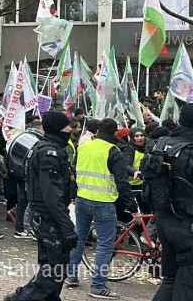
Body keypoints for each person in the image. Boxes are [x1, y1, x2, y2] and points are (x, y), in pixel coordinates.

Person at [4, 111, 76, 301]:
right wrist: (66, 225)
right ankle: (20, 298)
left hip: (48, 216)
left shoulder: (51, 149)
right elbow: (52, 195)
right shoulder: (49, 153)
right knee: (55, 268)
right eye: (67, 126)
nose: (70, 129)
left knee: (54, 266)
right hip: (48, 217)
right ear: (60, 128)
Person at [66, 118, 140, 299]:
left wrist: (74, 195)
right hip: (103, 203)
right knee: (105, 245)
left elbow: (74, 172)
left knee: (79, 238)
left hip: (82, 199)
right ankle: (98, 286)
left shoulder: (83, 147)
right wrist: (134, 209)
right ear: (115, 133)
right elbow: (122, 184)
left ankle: (70, 275)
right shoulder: (113, 151)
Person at [142, 103, 193, 300]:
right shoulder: (189, 150)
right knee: (187, 281)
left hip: (164, 219)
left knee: (171, 278)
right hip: (186, 223)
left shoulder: (160, 143)